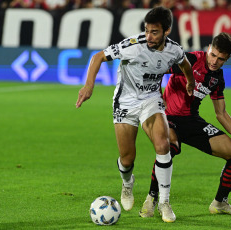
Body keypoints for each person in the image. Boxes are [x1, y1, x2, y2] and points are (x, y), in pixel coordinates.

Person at [75, 6, 195, 223]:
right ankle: (127, 184)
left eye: (154, 32)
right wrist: (88, 86)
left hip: (151, 101)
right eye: (146, 30)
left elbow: (185, 64)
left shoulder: (174, 50)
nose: (148, 36)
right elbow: (98, 57)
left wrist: (190, 82)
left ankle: (164, 202)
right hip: (125, 102)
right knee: (128, 158)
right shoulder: (132, 46)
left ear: (166, 31)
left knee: (163, 145)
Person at [139, 32, 231, 218]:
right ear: (209, 49)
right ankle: (151, 198)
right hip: (168, 117)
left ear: (227, 58)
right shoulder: (189, 59)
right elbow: (155, 71)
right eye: (213, 55)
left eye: (221, 59)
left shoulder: (217, 78)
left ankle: (220, 203)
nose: (214, 61)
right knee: (170, 147)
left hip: (191, 121)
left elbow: (221, 113)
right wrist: (156, 100)